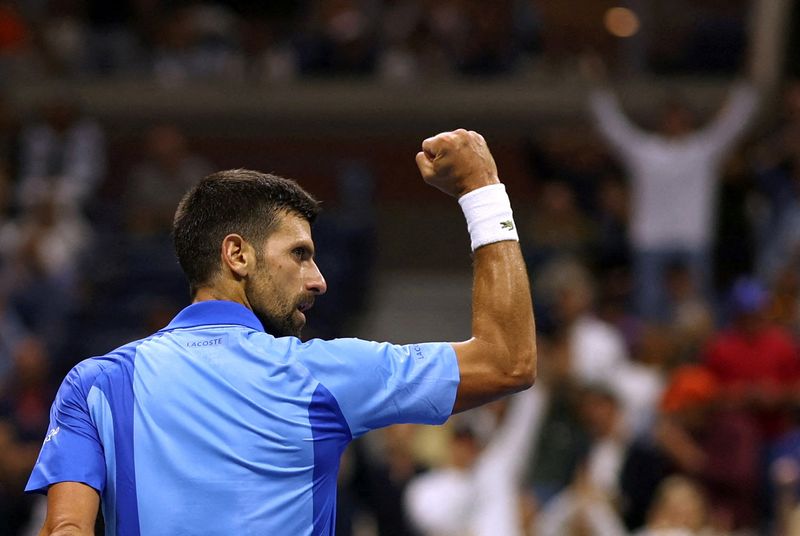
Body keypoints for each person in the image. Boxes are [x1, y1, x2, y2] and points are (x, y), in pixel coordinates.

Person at [23, 129, 536, 535]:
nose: (319, 280)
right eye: (300, 254)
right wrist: (482, 189)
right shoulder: (320, 376)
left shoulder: (94, 384)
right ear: (237, 255)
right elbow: (507, 361)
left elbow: (66, 528)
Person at [583, 56, 758, 321]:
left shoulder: (702, 150)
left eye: (680, 118)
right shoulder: (646, 151)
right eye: (670, 118)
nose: (675, 123)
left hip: (692, 239)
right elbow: (613, 128)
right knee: (649, 308)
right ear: (663, 121)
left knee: (696, 308)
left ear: (687, 120)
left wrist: (747, 85)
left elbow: (733, 124)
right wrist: (598, 88)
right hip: (650, 240)